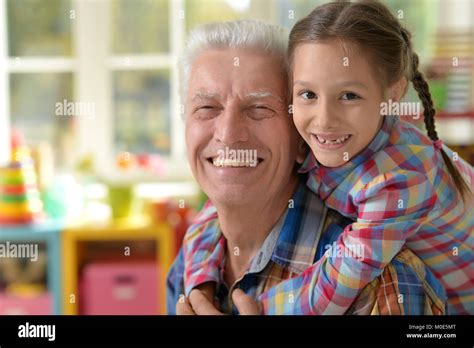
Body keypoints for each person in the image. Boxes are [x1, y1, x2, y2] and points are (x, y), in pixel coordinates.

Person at [181, 1, 474, 315]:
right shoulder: (325, 146)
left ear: (391, 95)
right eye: (308, 94)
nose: (323, 119)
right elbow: (213, 215)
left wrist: (250, 310)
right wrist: (200, 284)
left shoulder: (400, 179)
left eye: (349, 95)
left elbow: (336, 283)